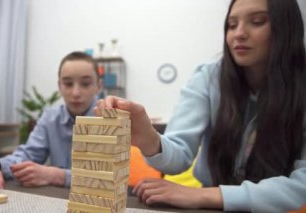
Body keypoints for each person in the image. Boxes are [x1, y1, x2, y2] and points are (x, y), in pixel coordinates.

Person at [96, 0, 306, 212]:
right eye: (232, 25)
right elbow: (179, 154)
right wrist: (150, 139)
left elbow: (302, 184)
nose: (239, 34)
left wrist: (207, 195)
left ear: (286, 27)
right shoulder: (208, 76)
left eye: (257, 21)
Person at [0, 51, 102, 197]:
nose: (76, 92)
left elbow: (109, 177)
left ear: (98, 86)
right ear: (59, 86)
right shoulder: (50, 117)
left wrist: (56, 175)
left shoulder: (110, 120)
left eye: (85, 83)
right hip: (59, 199)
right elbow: (28, 155)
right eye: (68, 83)